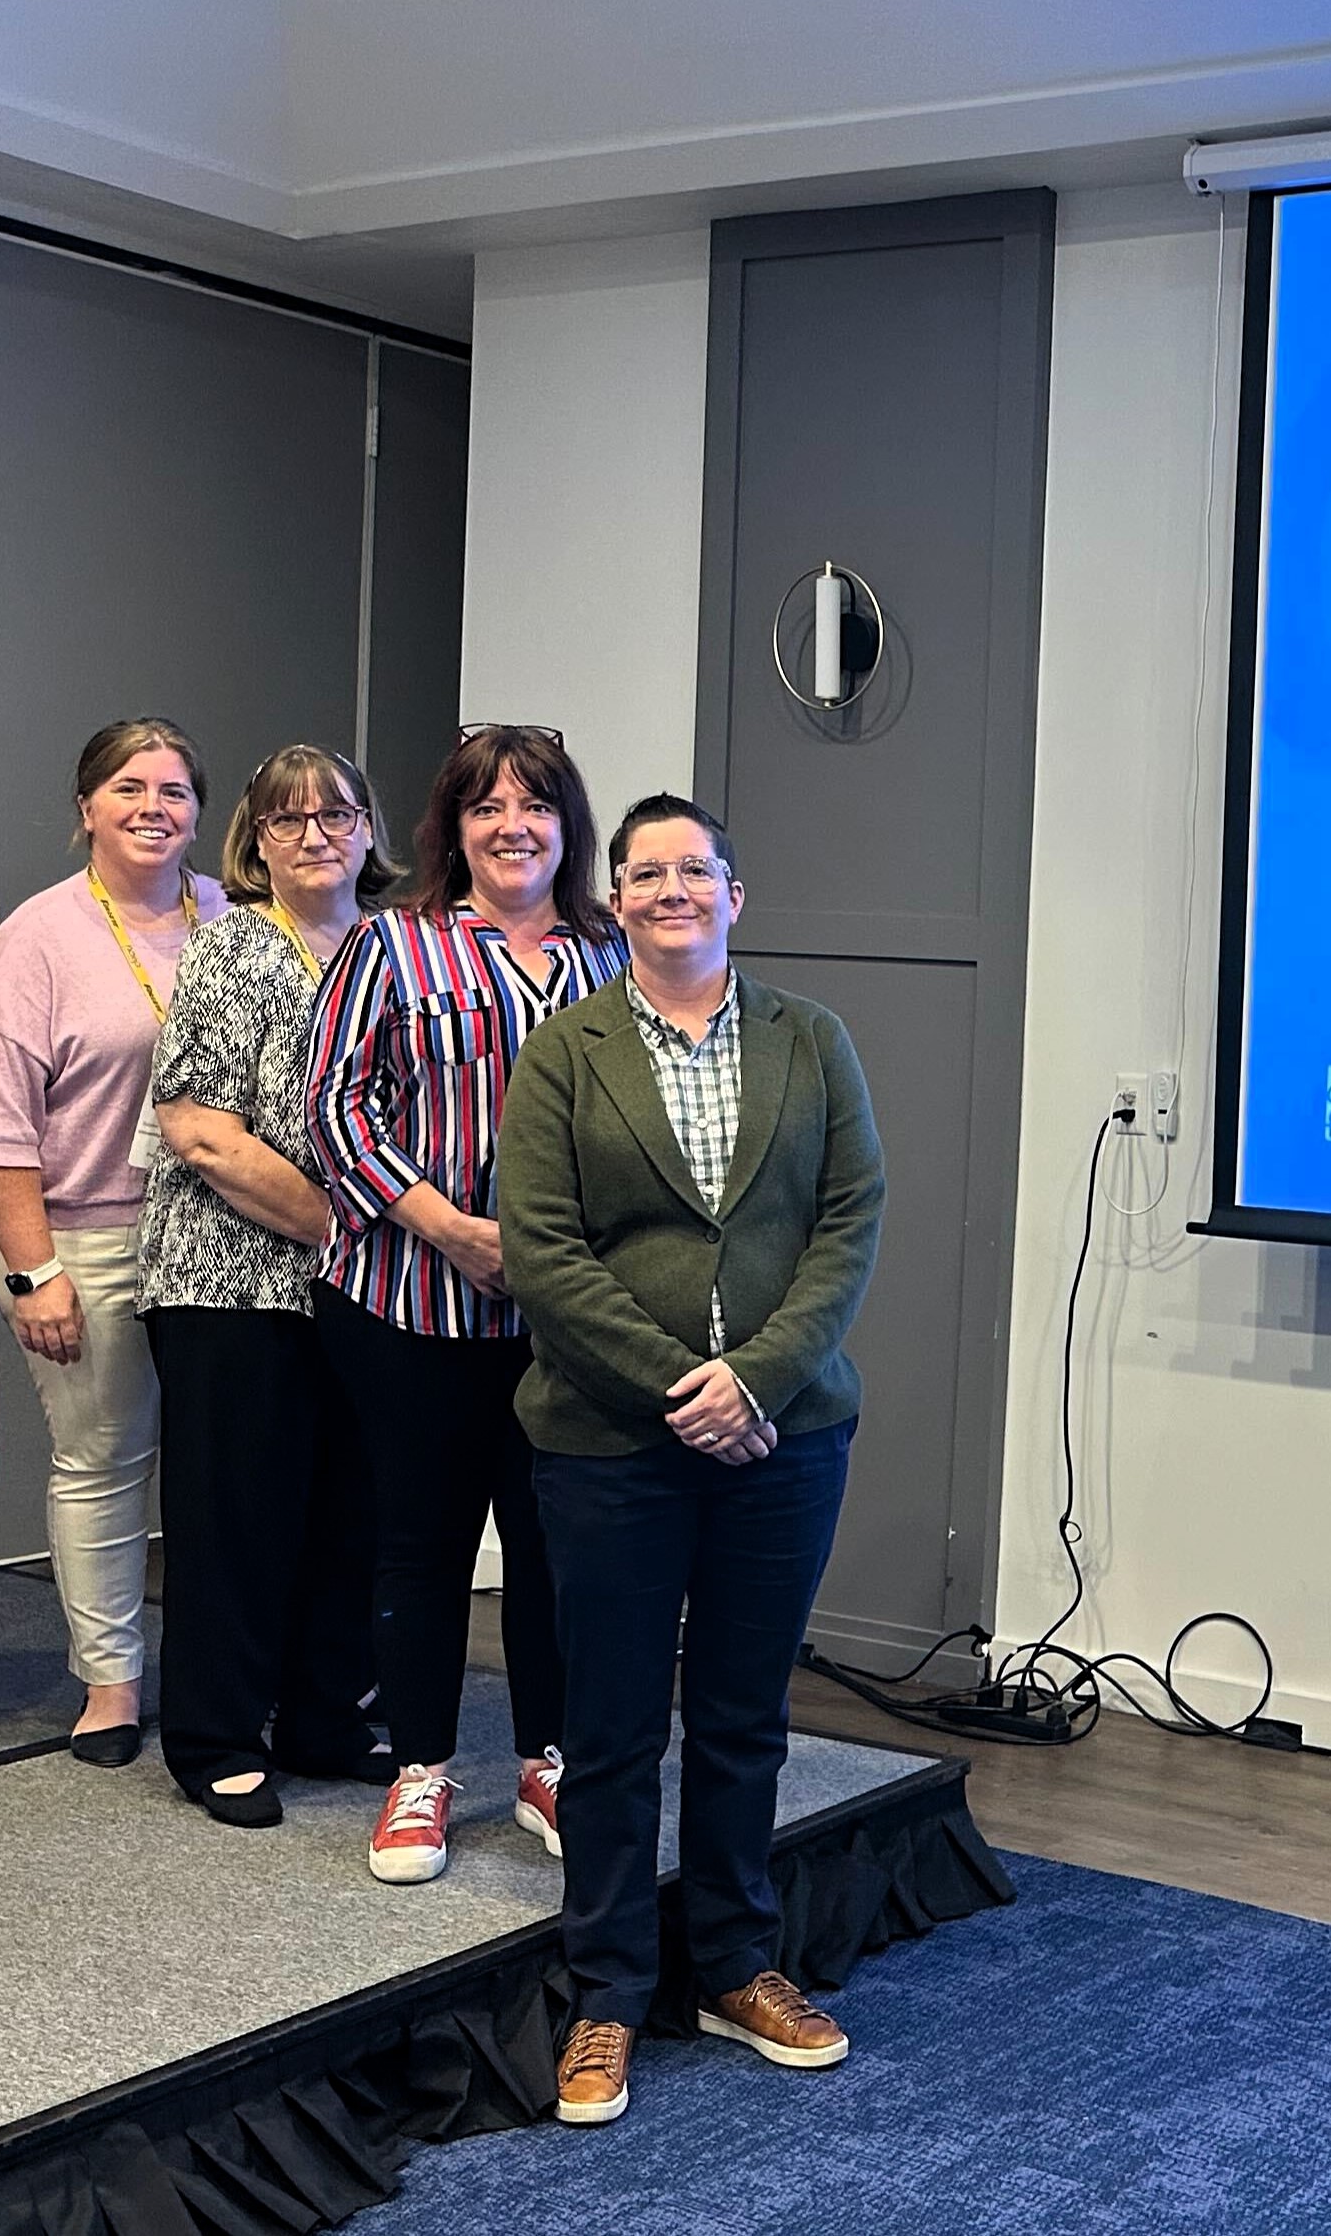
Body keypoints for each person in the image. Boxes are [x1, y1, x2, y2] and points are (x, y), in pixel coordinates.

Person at [495, 792, 886, 2128]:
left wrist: (756, 1379)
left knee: (738, 1719)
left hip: (785, 1434)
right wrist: (684, 1388)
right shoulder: (563, 1053)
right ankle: (606, 1987)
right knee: (606, 1729)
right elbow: (541, 1249)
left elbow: (849, 1219)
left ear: (734, 893)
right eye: (645, 870)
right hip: (610, 1439)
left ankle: (730, 1963)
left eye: (694, 869)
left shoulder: (809, 1039)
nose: (671, 889)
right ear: (617, 899)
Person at [306, 724, 627, 1885]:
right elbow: (336, 1108)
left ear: (565, 827)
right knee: (424, 1547)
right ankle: (423, 1772)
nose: (511, 825)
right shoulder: (393, 946)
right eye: (485, 805)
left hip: (564, 1321)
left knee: (553, 1547)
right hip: (409, 1303)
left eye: (534, 805)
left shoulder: (609, 953)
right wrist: (447, 1225)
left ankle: (548, 1760)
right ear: (452, 825)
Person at [0, 718, 226, 1764]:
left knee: (224, 1469)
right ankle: (109, 1685)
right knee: (105, 1459)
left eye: (173, 788)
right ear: (86, 809)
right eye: (127, 786)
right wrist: (34, 1270)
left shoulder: (233, 922)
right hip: (85, 1235)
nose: (152, 805)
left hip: (224, 1239)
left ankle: (226, 1668)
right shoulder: (39, 937)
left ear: (200, 811)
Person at [137, 746, 397, 1825]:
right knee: (233, 1520)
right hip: (229, 1281)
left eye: (334, 814)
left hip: (363, 1290)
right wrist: (347, 1227)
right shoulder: (230, 953)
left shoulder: (396, 949)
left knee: (349, 1516)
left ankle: (326, 1716)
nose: (313, 836)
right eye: (285, 821)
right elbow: (198, 1129)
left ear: (369, 829)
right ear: (253, 841)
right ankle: (216, 1735)